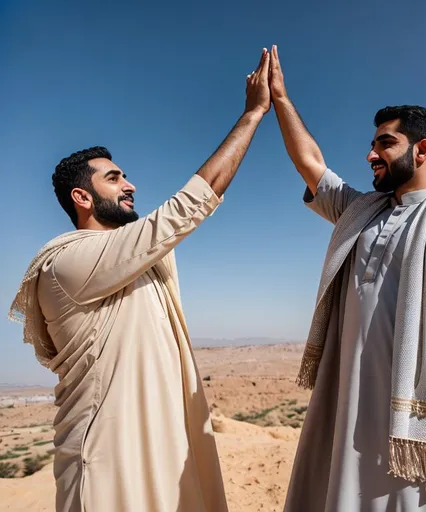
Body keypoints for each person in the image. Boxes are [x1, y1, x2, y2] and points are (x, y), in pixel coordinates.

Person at [9, 48, 271, 512]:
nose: (129, 184)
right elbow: (182, 212)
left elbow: (163, 234)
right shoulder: (65, 262)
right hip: (109, 462)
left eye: (126, 175)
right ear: (81, 197)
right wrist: (252, 115)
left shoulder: (135, 258)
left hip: (164, 448)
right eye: (114, 178)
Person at [269, 45, 426, 511]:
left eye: (385, 143)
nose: (371, 154)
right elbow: (311, 164)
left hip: (419, 431)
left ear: (421, 151)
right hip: (349, 416)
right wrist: (280, 99)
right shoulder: (361, 213)